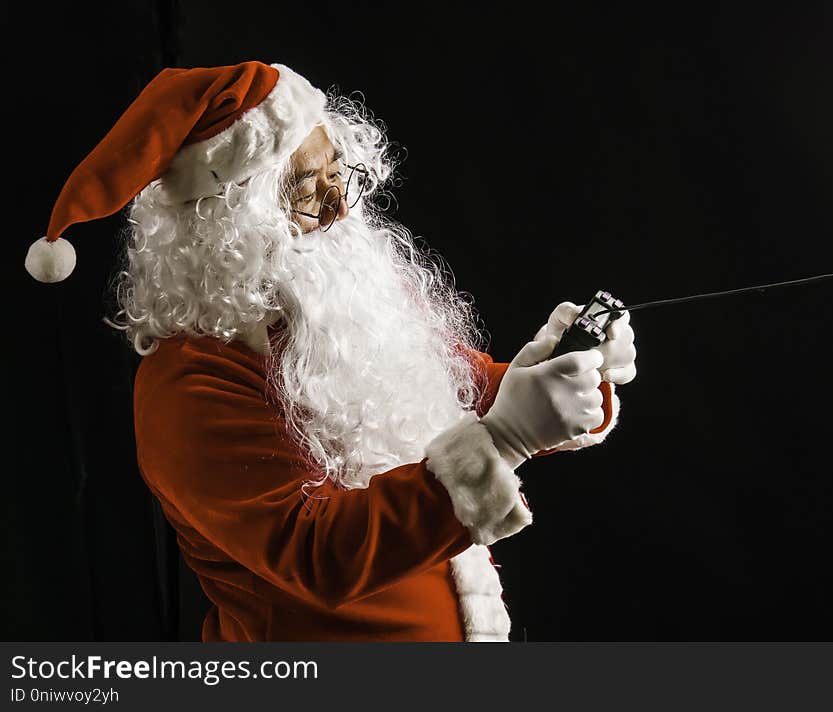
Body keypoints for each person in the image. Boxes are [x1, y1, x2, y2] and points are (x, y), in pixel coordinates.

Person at [25, 60, 637, 641]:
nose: (340, 206)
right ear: (224, 223)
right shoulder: (187, 385)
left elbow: (467, 389)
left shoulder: (339, 301)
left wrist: (564, 370)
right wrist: (506, 439)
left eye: (335, 172)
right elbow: (316, 556)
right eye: (303, 188)